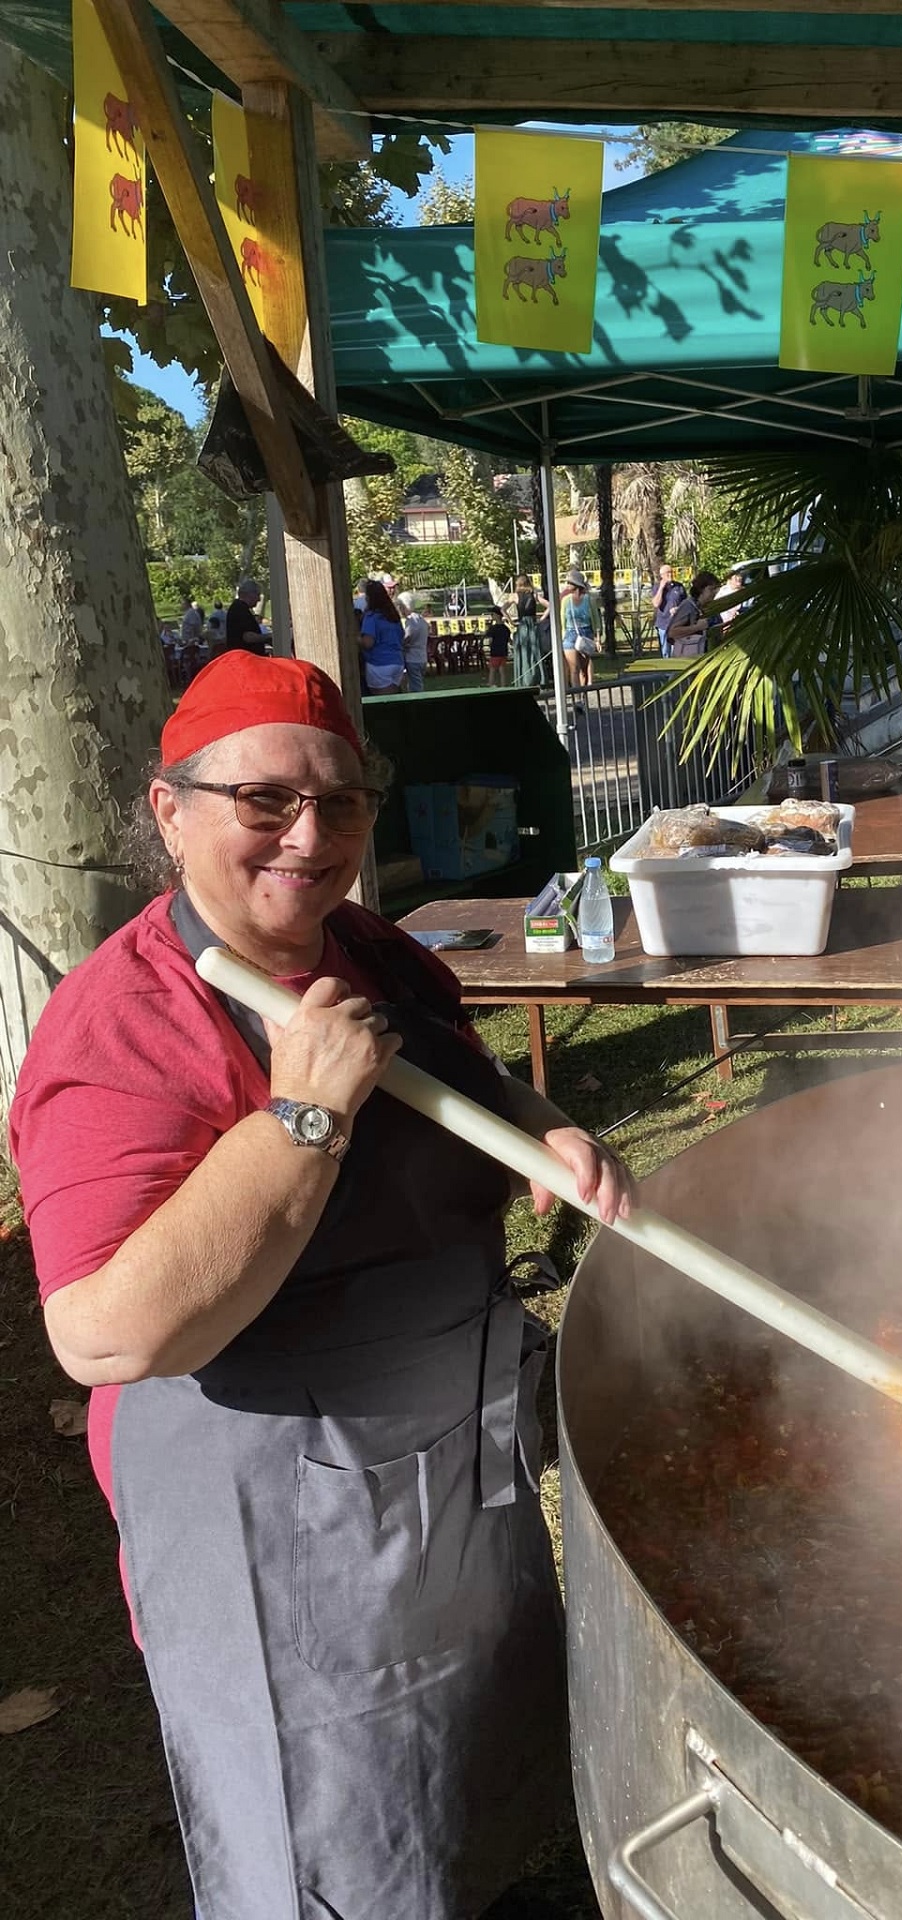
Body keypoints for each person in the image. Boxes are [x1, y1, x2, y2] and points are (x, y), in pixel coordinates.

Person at [7, 651, 634, 1920]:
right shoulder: (121, 1027)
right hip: (274, 1509)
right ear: (168, 808)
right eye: (264, 802)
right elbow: (107, 1335)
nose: (311, 835)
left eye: (340, 801)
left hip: (447, 1457)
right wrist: (301, 1112)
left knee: (476, 1766)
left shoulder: (366, 948)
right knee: (333, 1836)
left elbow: (455, 1071)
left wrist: (537, 1126)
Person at [358, 578, 406, 693]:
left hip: (379, 664)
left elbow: (368, 642)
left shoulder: (372, 616)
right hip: (398, 663)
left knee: (383, 703)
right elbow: (402, 636)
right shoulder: (393, 616)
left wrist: (355, 638)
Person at [666, 571, 722, 658]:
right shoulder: (688, 606)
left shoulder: (712, 607)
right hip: (691, 659)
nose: (714, 592)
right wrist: (697, 627)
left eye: (716, 589)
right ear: (701, 589)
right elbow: (672, 633)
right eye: (711, 589)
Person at [560, 568, 598, 690]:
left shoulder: (589, 600)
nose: (567, 585)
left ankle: (583, 694)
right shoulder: (565, 600)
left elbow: (596, 620)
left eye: (569, 583)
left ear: (576, 584)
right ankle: (576, 695)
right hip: (570, 634)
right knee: (573, 669)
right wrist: (563, 636)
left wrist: (597, 638)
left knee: (583, 670)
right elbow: (563, 621)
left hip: (586, 633)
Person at [511, 574, 548, 689]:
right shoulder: (534, 594)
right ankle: (538, 677)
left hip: (522, 625)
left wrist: (511, 622)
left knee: (523, 651)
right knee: (535, 651)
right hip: (532, 625)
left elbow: (502, 609)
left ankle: (524, 679)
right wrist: (541, 619)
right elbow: (549, 605)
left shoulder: (514, 596)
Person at [650, 562, 687, 659]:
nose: (670, 574)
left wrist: (678, 609)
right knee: (666, 650)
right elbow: (656, 604)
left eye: (671, 572)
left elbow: (686, 603)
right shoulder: (657, 587)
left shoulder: (679, 587)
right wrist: (661, 588)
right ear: (662, 575)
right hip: (664, 624)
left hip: (677, 623)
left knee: (677, 649)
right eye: (667, 573)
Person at [397, 590, 431, 693]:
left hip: (413, 658)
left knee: (415, 688)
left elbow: (408, 637)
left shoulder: (411, 621)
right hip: (422, 657)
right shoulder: (421, 619)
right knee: (417, 684)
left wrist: (401, 644)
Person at [224, 579, 267, 656]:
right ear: (249, 594)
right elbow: (247, 637)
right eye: (257, 594)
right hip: (244, 658)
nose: (259, 599)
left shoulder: (239, 608)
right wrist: (269, 637)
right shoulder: (240, 609)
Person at [484, 605, 512, 688]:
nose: (491, 616)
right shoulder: (506, 628)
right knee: (502, 670)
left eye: (492, 614)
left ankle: (491, 684)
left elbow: (489, 640)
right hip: (503, 652)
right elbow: (509, 640)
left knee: (492, 670)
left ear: (497, 615)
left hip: (495, 652)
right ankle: (503, 686)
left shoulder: (493, 628)